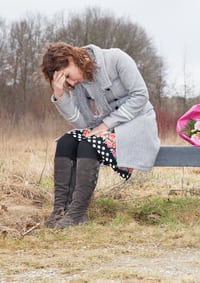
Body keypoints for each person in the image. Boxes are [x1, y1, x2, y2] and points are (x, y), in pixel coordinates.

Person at [40, 42, 160, 228]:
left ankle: (77, 214)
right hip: (108, 129)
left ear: (71, 59)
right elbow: (83, 124)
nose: (71, 83)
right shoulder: (80, 83)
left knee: (89, 144)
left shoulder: (116, 59)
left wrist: (107, 124)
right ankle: (60, 210)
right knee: (67, 141)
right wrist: (60, 94)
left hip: (137, 124)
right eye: (66, 82)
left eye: (69, 76)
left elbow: (140, 96)